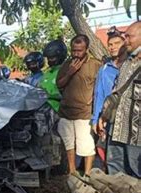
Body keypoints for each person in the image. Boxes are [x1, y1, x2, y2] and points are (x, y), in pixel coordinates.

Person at [56, 34, 102, 176]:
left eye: (79, 50)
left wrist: (94, 103)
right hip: (65, 112)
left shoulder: (95, 65)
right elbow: (59, 84)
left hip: (84, 113)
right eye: (74, 50)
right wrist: (70, 72)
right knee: (69, 144)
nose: (76, 54)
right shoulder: (66, 64)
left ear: (87, 49)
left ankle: (87, 175)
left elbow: (100, 87)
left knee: (86, 146)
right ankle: (72, 172)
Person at [101, 21, 141, 178]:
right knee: (115, 168)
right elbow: (117, 92)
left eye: (129, 36)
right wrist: (104, 115)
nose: (126, 40)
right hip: (116, 128)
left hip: (136, 132)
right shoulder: (126, 63)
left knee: (136, 170)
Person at [90, 27, 126, 167]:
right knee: (108, 158)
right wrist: (95, 119)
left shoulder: (133, 65)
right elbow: (99, 95)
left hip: (130, 120)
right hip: (108, 119)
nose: (112, 47)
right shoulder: (104, 69)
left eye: (117, 43)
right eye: (110, 44)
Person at [39, 40, 67, 112]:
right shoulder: (47, 73)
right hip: (42, 112)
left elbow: (68, 95)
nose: (49, 61)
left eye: (52, 58)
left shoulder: (65, 71)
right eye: (48, 58)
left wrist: (49, 94)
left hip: (57, 113)